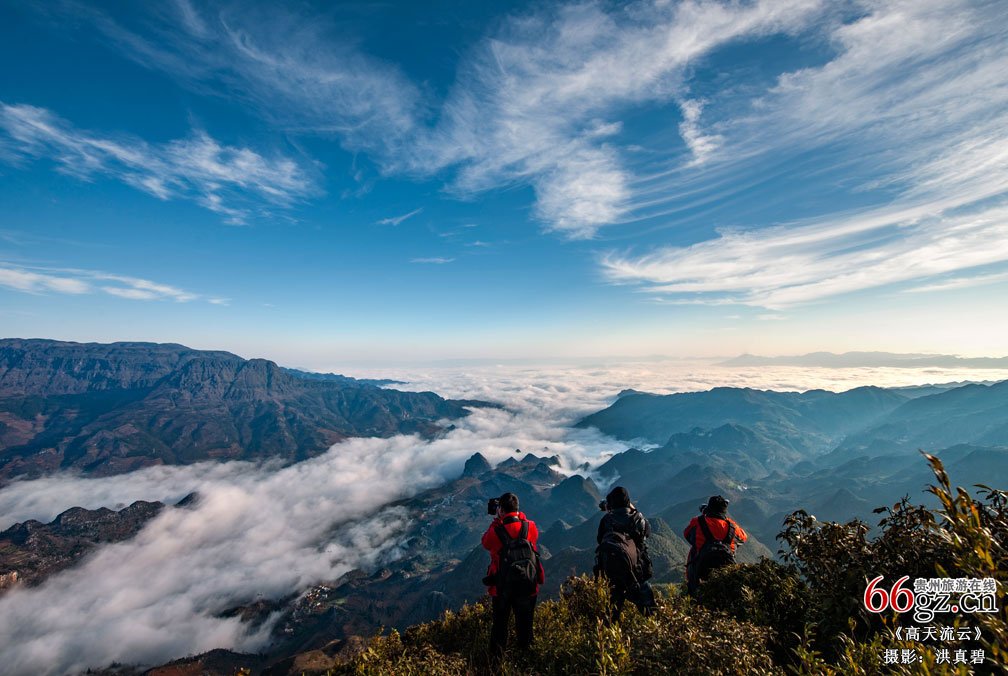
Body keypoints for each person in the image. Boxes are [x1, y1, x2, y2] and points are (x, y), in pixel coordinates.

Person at [481, 492, 544, 655]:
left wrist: (497, 520)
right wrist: (516, 516)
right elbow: (530, 533)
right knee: (525, 627)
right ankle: (527, 660)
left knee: (500, 628)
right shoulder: (531, 526)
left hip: (502, 589)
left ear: (500, 509)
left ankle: (497, 664)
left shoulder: (496, 532)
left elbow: (485, 542)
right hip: (527, 584)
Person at [595, 486, 658, 621]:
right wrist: (633, 510)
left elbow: (600, 541)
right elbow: (647, 532)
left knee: (610, 618)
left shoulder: (606, 520)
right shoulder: (637, 519)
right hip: (637, 573)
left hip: (613, 576)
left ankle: (608, 640)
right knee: (652, 615)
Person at [683, 494, 747, 594]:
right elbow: (743, 537)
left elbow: (687, 534)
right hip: (726, 576)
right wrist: (726, 521)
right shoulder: (732, 527)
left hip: (700, 575)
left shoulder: (698, 523)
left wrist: (704, 515)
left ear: (709, 508)